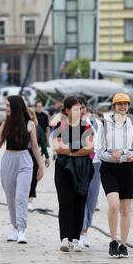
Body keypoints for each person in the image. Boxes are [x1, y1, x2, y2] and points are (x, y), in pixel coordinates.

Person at [0, 96, 44, 244]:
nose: (6, 108)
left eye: (8, 105)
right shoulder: (5, 123)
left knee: (21, 196)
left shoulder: (30, 124)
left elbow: (36, 147)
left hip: (25, 160)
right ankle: (14, 227)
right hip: (8, 160)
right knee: (11, 198)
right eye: (6, 105)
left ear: (16, 106)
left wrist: (40, 166)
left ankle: (21, 230)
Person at [97, 93, 133, 258]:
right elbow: (100, 151)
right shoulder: (105, 124)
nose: (122, 106)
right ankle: (113, 240)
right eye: (119, 104)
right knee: (114, 205)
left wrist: (122, 153)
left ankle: (123, 244)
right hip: (109, 168)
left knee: (125, 210)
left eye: (125, 104)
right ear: (114, 106)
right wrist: (113, 156)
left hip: (128, 168)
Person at [52, 97, 94, 252]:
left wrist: (69, 151)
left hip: (82, 168)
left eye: (80, 108)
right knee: (65, 202)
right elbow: (57, 147)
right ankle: (65, 238)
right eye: (76, 109)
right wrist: (77, 149)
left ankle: (76, 238)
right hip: (63, 168)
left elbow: (90, 148)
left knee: (79, 202)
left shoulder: (86, 126)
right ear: (67, 110)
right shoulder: (60, 125)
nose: (79, 111)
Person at [80, 108, 104, 248]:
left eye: (83, 108)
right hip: (81, 163)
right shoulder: (74, 124)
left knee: (92, 199)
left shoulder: (97, 123)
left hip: (96, 164)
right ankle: (81, 231)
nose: (81, 111)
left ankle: (86, 229)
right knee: (82, 197)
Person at [27, 108, 50, 212]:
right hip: (23, 154)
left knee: (33, 179)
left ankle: (30, 200)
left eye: (31, 114)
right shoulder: (20, 126)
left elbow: (42, 143)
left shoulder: (38, 128)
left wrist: (47, 156)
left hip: (33, 155)